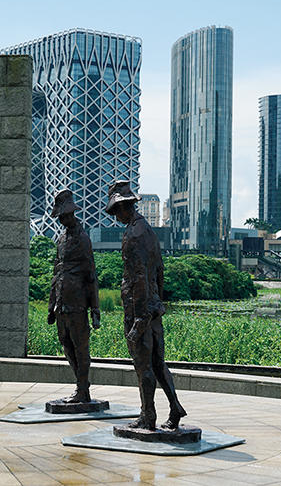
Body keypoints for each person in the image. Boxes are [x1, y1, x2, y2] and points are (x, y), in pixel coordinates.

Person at [105, 180, 186, 431]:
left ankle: (147, 416)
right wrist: (156, 303)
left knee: (143, 365)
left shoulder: (132, 235)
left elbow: (138, 277)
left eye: (116, 211)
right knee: (159, 363)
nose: (115, 216)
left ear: (124, 207)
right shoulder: (148, 231)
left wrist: (140, 318)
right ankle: (174, 407)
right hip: (153, 308)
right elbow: (159, 271)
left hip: (139, 310)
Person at [47, 189, 100, 403]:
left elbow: (91, 276)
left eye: (62, 215)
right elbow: (56, 273)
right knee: (66, 344)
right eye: (58, 216)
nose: (60, 219)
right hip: (61, 304)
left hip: (78, 303)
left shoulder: (82, 238)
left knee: (80, 347)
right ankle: (82, 387)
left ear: (70, 214)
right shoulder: (61, 239)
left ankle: (82, 389)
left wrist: (95, 309)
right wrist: (51, 305)